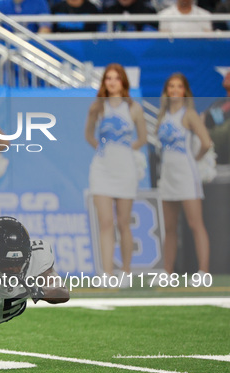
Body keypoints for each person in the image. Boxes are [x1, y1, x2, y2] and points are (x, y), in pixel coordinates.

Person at [84, 64, 147, 287]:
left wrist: (127, 151)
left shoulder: (134, 108)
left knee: (123, 222)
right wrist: (103, 150)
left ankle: (126, 272)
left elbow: (142, 137)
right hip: (101, 170)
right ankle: (107, 273)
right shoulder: (97, 107)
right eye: (108, 78)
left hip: (125, 171)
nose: (112, 82)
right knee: (106, 222)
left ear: (123, 82)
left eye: (116, 78)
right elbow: (89, 134)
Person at [156, 73, 212, 285]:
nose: (174, 90)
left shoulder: (189, 114)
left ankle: (203, 272)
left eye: (179, 86)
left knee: (195, 223)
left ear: (185, 91)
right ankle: (167, 272)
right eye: (171, 86)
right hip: (168, 176)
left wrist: (195, 160)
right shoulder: (163, 116)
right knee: (170, 227)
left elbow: (206, 142)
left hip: (187, 175)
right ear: (167, 91)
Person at [202, 70, 230, 164]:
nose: (227, 74)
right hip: (216, 153)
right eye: (227, 74)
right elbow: (203, 119)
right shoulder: (219, 103)